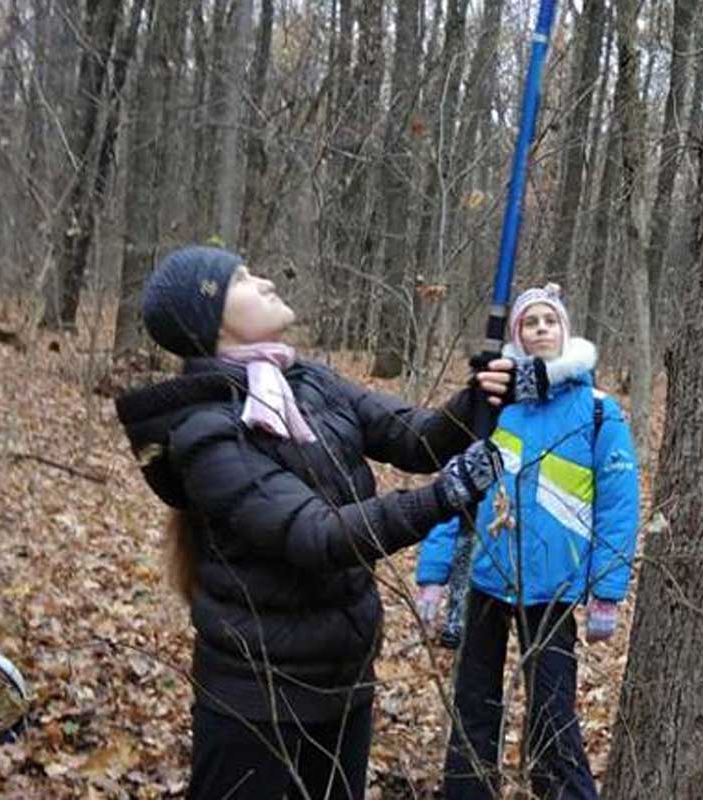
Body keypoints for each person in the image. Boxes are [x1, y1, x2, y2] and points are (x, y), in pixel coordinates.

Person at [115, 245, 534, 799]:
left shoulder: (307, 382)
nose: (264, 280)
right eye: (241, 279)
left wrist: (477, 399)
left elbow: (413, 437)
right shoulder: (206, 433)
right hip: (256, 700)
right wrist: (442, 498)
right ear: (210, 320)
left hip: (344, 683)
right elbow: (317, 534)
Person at [414, 284, 640, 800]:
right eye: (530, 322)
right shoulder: (494, 406)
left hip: (554, 588)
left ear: (565, 331)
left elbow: (619, 505)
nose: (540, 329)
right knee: (474, 705)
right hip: (487, 578)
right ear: (516, 335)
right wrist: (433, 572)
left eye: (549, 321)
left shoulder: (600, 412)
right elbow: (458, 491)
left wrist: (607, 590)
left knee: (551, 714)